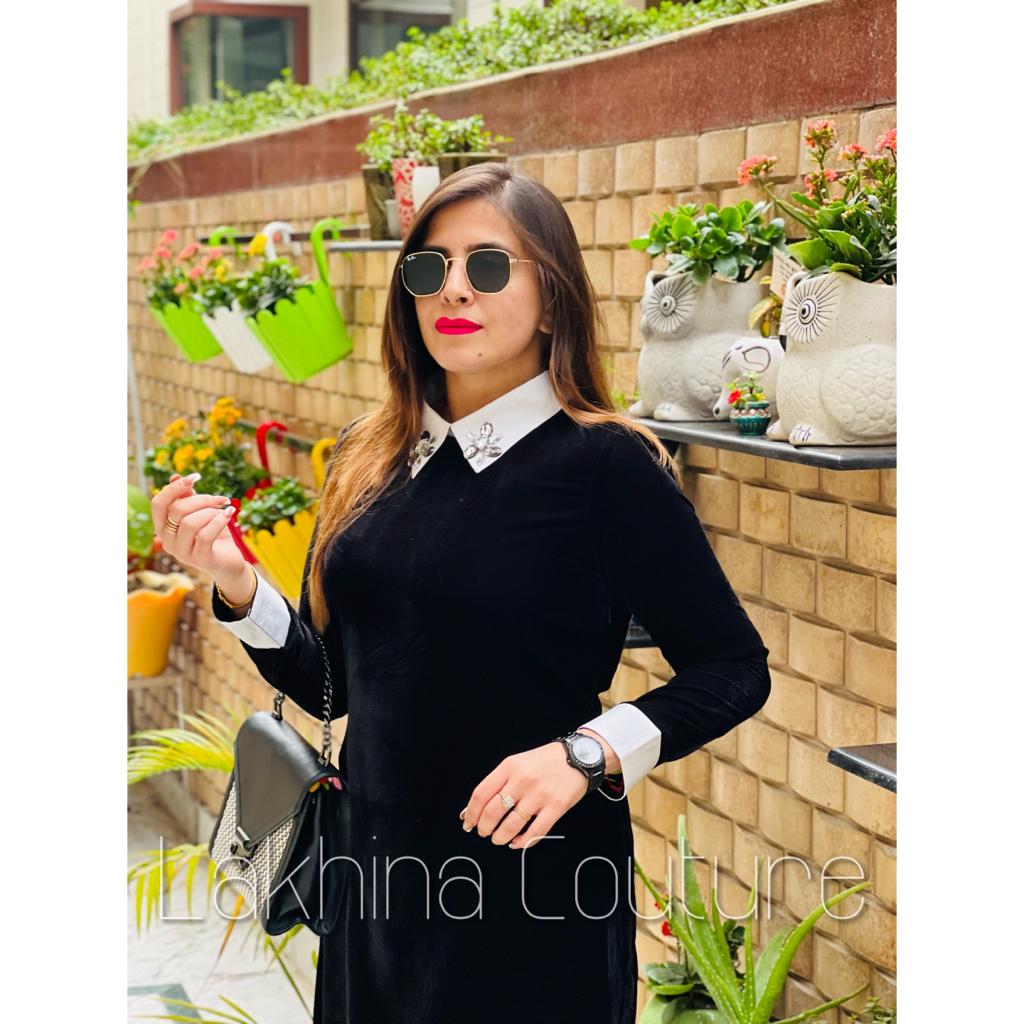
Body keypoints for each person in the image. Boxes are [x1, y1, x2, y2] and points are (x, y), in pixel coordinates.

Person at [150, 163, 771, 1024]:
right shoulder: (369, 454)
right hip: (375, 888)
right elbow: (337, 686)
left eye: (486, 265)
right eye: (428, 267)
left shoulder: (605, 464)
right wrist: (237, 584)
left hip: (534, 890)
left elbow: (733, 667)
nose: (452, 289)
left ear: (551, 300)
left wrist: (586, 754)